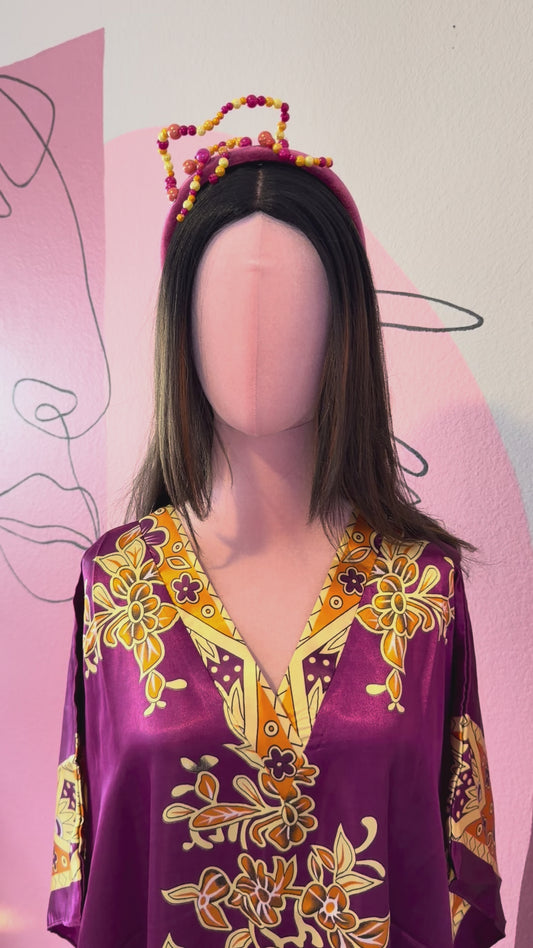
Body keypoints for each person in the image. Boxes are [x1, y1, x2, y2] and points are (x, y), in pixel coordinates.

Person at [47, 96, 506, 947]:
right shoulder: (115, 586)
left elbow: (456, 877)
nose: (256, 342)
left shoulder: (421, 591)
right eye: (224, 305)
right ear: (180, 328)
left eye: (292, 303)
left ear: (343, 327)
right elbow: (95, 880)